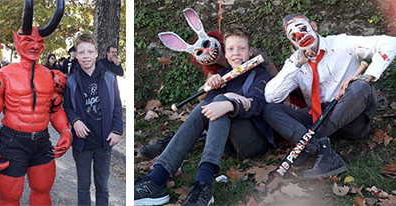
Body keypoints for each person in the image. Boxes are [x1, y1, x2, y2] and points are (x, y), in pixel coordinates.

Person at [134, 26, 273, 206]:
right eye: (230, 49)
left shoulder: (260, 73)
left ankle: (204, 182)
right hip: (229, 146)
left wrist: (229, 100)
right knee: (206, 105)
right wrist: (214, 89)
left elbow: (256, 105)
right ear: (225, 51)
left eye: (242, 48)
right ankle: (157, 177)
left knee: (221, 101)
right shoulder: (222, 76)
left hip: (252, 141)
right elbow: (207, 109)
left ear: (250, 51)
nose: (236, 53)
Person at [137, 8, 284, 160]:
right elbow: (204, 99)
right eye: (231, 50)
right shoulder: (216, 72)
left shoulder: (247, 57)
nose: (235, 53)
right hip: (225, 118)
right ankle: (166, 149)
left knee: (220, 104)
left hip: (246, 118)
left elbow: (277, 80)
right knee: (207, 108)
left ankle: (204, 165)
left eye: (239, 49)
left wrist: (287, 101)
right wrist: (211, 84)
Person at [262, 14, 396, 179]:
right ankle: (320, 149)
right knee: (269, 110)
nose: (300, 36)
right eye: (293, 36)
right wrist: (297, 65)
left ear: (314, 26)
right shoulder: (295, 62)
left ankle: (308, 146)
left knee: (361, 87)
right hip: (317, 117)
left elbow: (390, 43)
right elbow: (271, 96)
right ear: (291, 42)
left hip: (351, 116)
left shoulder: (341, 43)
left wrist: (366, 76)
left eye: (303, 29)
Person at [0, 1, 71, 205]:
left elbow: (55, 110)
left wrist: (65, 132)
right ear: (16, 40)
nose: (35, 45)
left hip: (41, 141)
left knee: (42, 191)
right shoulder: (1, 76)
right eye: (29, 39)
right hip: (13, 142)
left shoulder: (53, 77)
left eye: (40, 41)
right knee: (9, 197)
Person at [63, 33, 124, 206]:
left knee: (102, 186)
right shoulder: (72, 81)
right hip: (82, 144)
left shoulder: (109, 78)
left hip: (104, 141)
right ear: (76, 54)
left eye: (90, 51)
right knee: (83, 186)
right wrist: (75, 121)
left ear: (97, 53)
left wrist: (117, 130)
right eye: (81, 52)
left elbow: (117, 106)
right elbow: (67, 106)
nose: (86, 56)